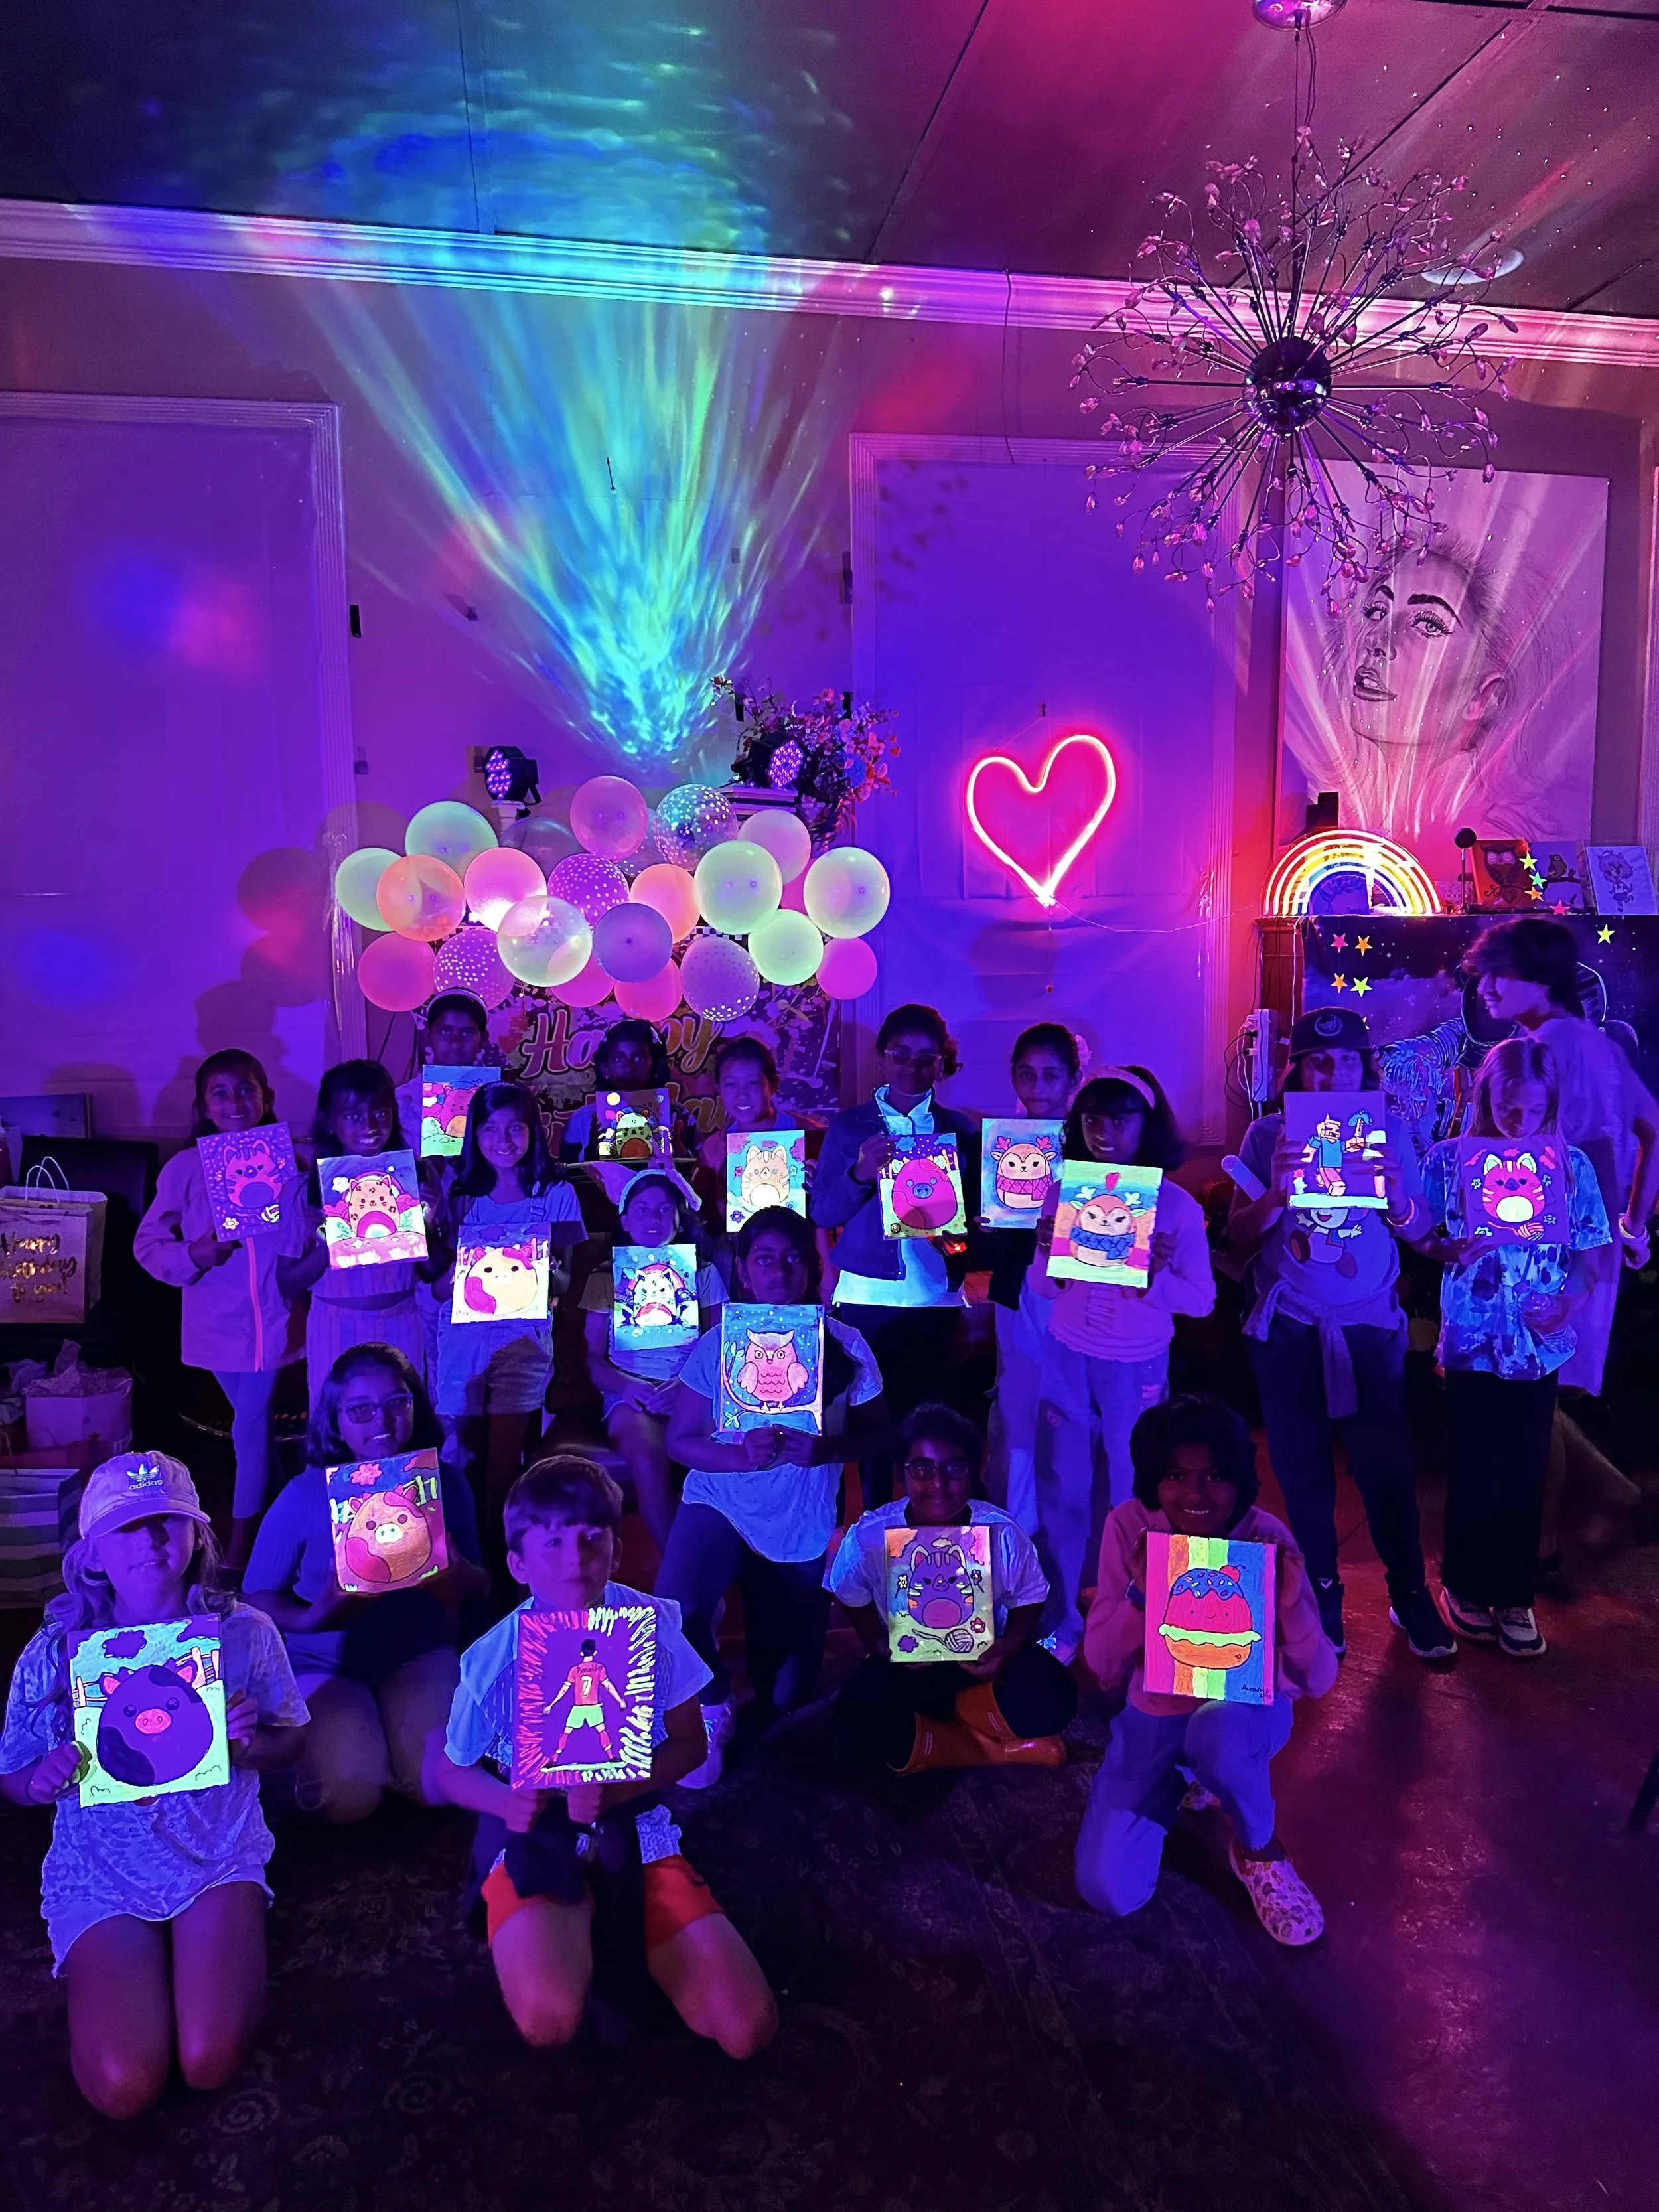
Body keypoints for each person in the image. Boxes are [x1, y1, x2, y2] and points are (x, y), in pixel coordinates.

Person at [429, 1454, 777, 2058]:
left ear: (618, 1551)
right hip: (535, 1829)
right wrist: (508, 1800)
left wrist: (619, 1790)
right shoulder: (495, 1655)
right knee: (551, 2018)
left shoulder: (655, 1625)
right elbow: (447, 1768)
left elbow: (690, 1743)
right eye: (555, 1541)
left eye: (594, 1539)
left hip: (633, 1821)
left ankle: (611, 1922)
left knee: (747, 2027)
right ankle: (549, 1922)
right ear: (518, 1562)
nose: (576, 1558)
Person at [0, 1453, 307, 2117]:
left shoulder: (245, 1633)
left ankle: (223, 1942)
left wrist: (251, 1747)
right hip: (103, 1869)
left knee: (209, 2060)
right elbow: (13, 1777)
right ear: (91, 1556)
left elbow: (293, 1738)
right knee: (124, 2085)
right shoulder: (55, 1653)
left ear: (198, 1534)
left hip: (215, 1855)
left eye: (168, 1520)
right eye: (127, 1526)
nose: (150, 1538)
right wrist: (42, 1779)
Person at [1228, 1007, 1452, 1660]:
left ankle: (1408, 1593)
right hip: (1288, 1326)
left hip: (1368, 1327)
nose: (1333, 1072)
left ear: (1364, 1068)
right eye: (1320, 1060)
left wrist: (1394, 1198)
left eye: (1348, 1060)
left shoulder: (1390, 1131)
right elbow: (1240, 1235)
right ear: (1298, 1067)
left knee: (1384, 1467)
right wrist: (1274, 1192)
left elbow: (1418, 1230)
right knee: (1300, 1469)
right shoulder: (1267, 1133)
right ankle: (1322, 1593)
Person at [1075, 1396, 1334, 1947]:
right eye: (1175, 1475)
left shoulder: (1265, 1536)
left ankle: (1259, 1847)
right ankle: (1182, 1778)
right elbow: (1099, 1662)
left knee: (1213, 1734)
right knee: (1110, 1890)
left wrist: (1288, 1605)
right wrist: (1143, 1594)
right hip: (1154, 1714)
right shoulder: (1129, 1526)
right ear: (1152, 1477)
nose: (1195, 1494)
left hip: (1241, 1715)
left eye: (1215, 1475)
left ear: (1240, 1477)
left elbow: (1320, 1680)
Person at [660, 1207, 890, 1788]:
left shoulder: (845, 1343)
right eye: (765, 1258)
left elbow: (887, 1435)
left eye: (793, 1258)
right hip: (721, 1500)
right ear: (744, 1272)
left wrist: (827, 1450)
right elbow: (680, 1440)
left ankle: (744, 1659)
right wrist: (738, 1455)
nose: (780, 1270)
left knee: (786, 1692)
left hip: (798, 1520)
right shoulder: (718, 1343)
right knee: (674, 1614)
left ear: (813, 1269)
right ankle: (709, 1704)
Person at [1413, 1037, 1610, 1657]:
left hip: (1536, 1343)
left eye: (1531, 1108)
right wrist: (1442, 1247)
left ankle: (1514, 1592)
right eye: (1506, 1105)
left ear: (1550, 1101)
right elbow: (1422, 1233)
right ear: (1485, 1093)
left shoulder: (1568, 1165)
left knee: (1525, 1467)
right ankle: (1465, 1585)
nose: (1517, 1119)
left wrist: (1567, 1300)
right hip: (1472, 1337)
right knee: (1473, 1464)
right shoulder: (1451, 1160)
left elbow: (1590, 1253)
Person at [243, 1345, 489, 1823]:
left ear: (416, 1405)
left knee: (437, 1786)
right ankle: (346, 1757)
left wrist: (459, 1578)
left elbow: (484, 1584)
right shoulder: (305, 1493)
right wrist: (318, 1613)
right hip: (325, 1661)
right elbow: (255, 1597)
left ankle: (389, 1750)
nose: (383, 1419)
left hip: (416, 1652)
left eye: (398, 1401)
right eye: (361, 1408)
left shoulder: (447, 1482)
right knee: (347, 1796)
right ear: (336, 1420)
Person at [1029, 1067, 1215, 1659]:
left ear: (1146, 1123)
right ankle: (1062, 1615)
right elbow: (1044, 1287)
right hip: (1067, 1354)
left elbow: (1203, 1300)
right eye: (1093, 1118)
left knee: (1136, 1491)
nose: (1105, 1130)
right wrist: (1045, 1255)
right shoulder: (1064, 1189)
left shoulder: (1176, 1207)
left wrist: (1155, 1277)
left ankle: (1132, 1616)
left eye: (1120, 1117)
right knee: (1063, 1486)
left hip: (1136, 1365)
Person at [1465, 917, 1659, 1394]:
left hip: (1536, 1246)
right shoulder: (1603, 1046)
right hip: (1596, 1244)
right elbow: (1654, 1128)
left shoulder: (1534, 1052)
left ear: (1543, 977)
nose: (1485, 987)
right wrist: (1632, 1225)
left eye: (1501, 973)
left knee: (1526, 1397)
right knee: (1569, 1391)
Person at [827, 1404, 1076, 1771]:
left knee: (1057, 1699)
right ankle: (995, 1750)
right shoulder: (870, 1535)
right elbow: (851, 1593)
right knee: (849, 1733)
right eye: (923, 1469)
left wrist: (1008, 1648)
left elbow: (1031, 1596)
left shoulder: (1001, 1532)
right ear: (902, 1473)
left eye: (954, 1469)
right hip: (906, 1662)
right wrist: (879, 1647)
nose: (939, 1484)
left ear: (973, 1472)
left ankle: (938, 1735)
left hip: (983, 1664)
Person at [135, 1050, 303, 1574]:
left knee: (249, 1430)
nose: (236, 1102)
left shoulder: (291, 1161)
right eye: (221, 1092)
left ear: (266, 1097)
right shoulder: (186, 1168)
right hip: (219, 1325)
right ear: (204, 1105)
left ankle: (240, 1553)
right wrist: (194, 1254)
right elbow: (148, 1242)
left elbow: (314, 1222)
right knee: (253, 1430)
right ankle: (280, 1523)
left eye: (247, 1090)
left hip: (277, 1318)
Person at [810, 1003, 980, 1504]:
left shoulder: (960, 1129)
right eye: (900, 1054)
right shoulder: (850, 1126)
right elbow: (821, 1211)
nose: (912, 1066)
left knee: (923, 1420)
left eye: (927, 1058)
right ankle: (870, 1522)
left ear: (942, 1064)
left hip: (933, 1295)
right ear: (883, 1058)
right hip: (866, 1293)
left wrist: (960, 1232)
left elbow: (974, 1226)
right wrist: (861, 1172)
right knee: (867, 1420)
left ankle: (918, 1523)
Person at [431, 1082, 587, 1534]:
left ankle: (504, 1565)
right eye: (490, 1128)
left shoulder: (556, 1193)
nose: (503, 1140)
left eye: (515, 1127)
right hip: (464, 1340)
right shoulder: (459, 1194)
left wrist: (544, 1269)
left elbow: (564, 1282)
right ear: (474, 1135)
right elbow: (441, 1288)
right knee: (464, 1455)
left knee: (504, 1462)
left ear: (533, 1131)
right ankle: (470, 1554)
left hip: (524, 1339)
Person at [581, 1169, 725, 1552]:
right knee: (648, 1458)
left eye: (664, 1209)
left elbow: (720, 1342)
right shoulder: (605, 1277)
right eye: (642, 1210)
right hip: (630, 1394)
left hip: (696, 1390)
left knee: (724, 1447)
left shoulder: (703, 1271)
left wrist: (684, 1387)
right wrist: (629, 1388)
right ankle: (675, 1564)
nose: (654, 1218)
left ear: (679, 1218)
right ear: (625, 1220)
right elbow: (592, 1360)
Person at [277, 1060, 434, 1383]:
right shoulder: (301, 1191)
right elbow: (287, 1283)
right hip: (335, 1324)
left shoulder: (417, 1178)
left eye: (380, 1113)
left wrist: (428, 1223)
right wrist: (325, 1245)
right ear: (331, 1122)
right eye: (353, 1116)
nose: (369, 1126)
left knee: (402, 1417)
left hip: (402, 1319)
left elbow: (432, 1273)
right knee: (337, 1422)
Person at [983, 1023, 1081, 1532]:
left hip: (1078, 1302)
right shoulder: (998, 1148)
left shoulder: (1095, 1145)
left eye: (1050, 1075)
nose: (1038, 1087)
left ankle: (1071, 1533)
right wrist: (983, 1227)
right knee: (1019, 1406)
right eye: (1027, 1074)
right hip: (1016, 1294)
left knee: (1073, 1409)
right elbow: (989, 1244)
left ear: (1072, 1078)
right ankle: (1018, 1529)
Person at [394, 991, 498, 1390]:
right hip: (431, 1241)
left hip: (488, 1230)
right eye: (446, 1031)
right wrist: (431, 1164)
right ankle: (449, 1445)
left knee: (489, 1350)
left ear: (482, 1039)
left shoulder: (497, 1100)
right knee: (436, 1352)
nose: (456, 1041)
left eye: (467, 1033)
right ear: (429, 1037)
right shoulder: (403, 1100)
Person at [559, 1020, 674, 1161]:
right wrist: (590, 1159)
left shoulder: (680, 1117)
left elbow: (698, 1172)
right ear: (605, 1068)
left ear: (655, 1065)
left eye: (640, 1058)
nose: (629, 1067)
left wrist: (681, 1153)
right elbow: (568, 1176)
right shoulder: (582, 1120)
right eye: (619, 1059)